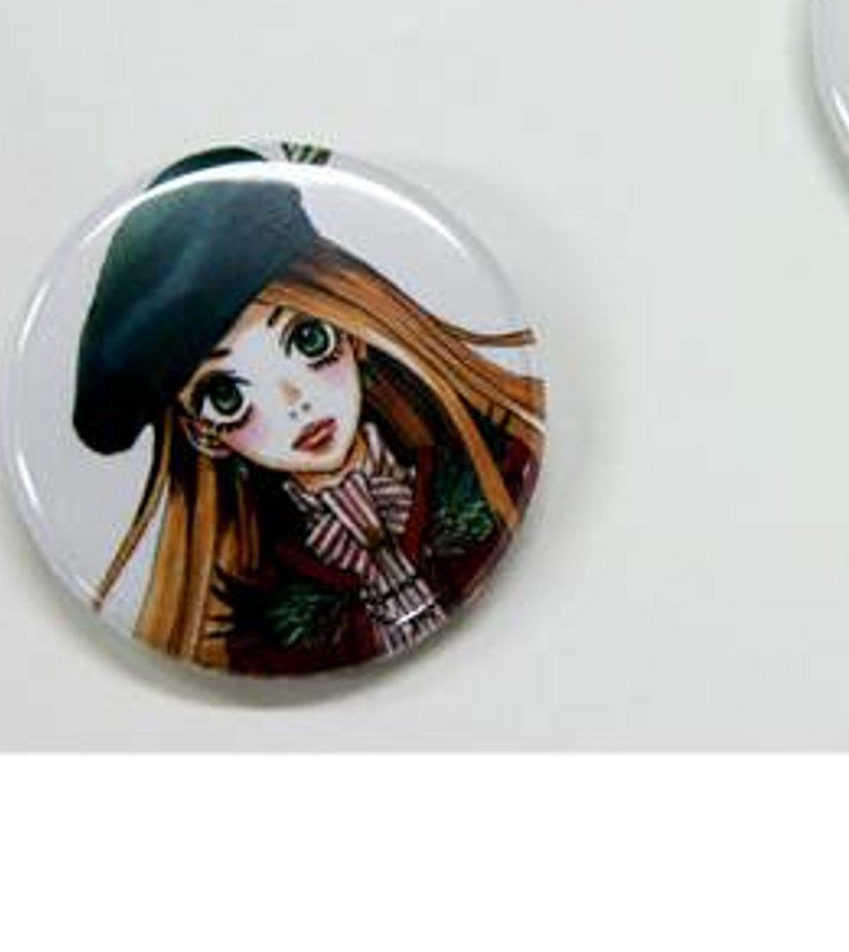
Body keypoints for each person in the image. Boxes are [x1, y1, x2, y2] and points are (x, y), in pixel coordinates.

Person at [74, 147, 544, 674]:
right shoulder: (250, 616)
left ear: (354, 332)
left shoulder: (491, 466)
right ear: (202, 432)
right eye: (227, 395)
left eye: (308, 339)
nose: (294, 401)